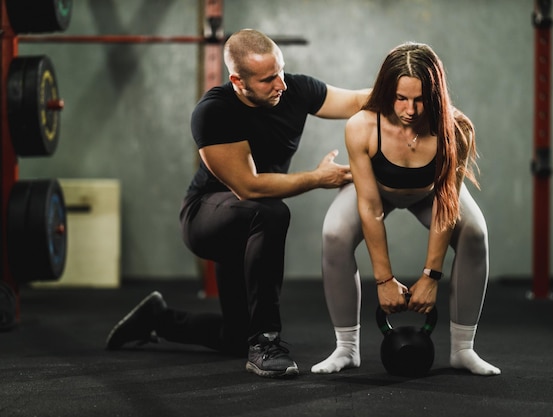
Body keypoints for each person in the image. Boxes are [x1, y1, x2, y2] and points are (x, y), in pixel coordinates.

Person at [105, 28, 370, 379]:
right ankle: (265, 344)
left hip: (250, 222)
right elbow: (249, 187)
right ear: (237, 81)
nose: (281, 85)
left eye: (280, 71)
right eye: (267, 79)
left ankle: (159, 319)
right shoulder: (213, 112)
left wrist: (417, 92)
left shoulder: (296, 88)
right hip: (207, 218)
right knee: (271, 211)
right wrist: (317, 178)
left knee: (234, 337)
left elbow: (355, 101)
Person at [311, 42, 501, 376]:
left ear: (435, 95)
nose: (410, 110)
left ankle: (463, 349)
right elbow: (369, 206)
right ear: (387, 91)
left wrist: (431, 276)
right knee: (334, 233)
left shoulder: (455, 130)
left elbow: (446, 203)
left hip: (430, 196)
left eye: (420, 99)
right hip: (377, 193)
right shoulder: (362, 126)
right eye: (401, 98)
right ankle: (346, 349)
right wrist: (383, 279)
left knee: (475, 232)